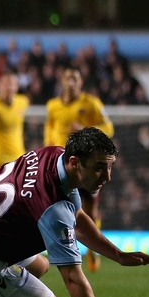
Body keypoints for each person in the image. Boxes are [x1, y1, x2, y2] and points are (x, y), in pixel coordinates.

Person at [0, 127, 149, 297]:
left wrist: (118, 256)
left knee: (41, 266)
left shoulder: (55, 155)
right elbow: (73, 280)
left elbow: (77, 218)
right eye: (99, 167)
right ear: (75, 163)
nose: (107, 177)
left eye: (109, 166)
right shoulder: (53, 209)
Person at [44, 66, 114, 272]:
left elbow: (109, 127)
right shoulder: (53, 106)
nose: (71, 82)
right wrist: (47, 146)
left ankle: (93, 249)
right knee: (53, 206)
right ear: (62, 81)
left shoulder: (91, 103)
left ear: (81, 82)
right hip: (61, 165)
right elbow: (49, 127)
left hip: (86, 166)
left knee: (89, 211)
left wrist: (85, 130)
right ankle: (54, 245)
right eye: (68, 78)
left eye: (75, 78)